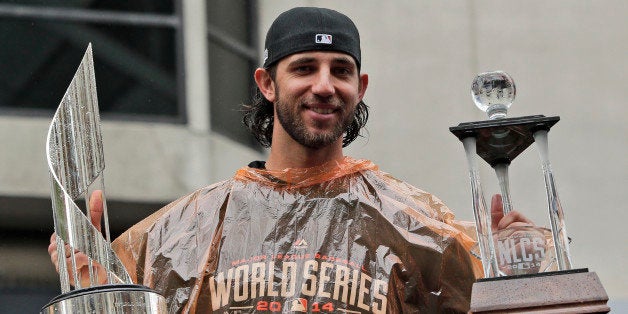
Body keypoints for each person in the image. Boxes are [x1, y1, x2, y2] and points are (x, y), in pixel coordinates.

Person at [49, 7, 533, 313]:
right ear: (266, 83)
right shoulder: (182, 232)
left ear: (359, 88)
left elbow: (504, 304)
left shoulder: (411, 224)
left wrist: (511, 265)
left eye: (340, 70)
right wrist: (97, 286)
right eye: (304, 67)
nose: (324, 85)